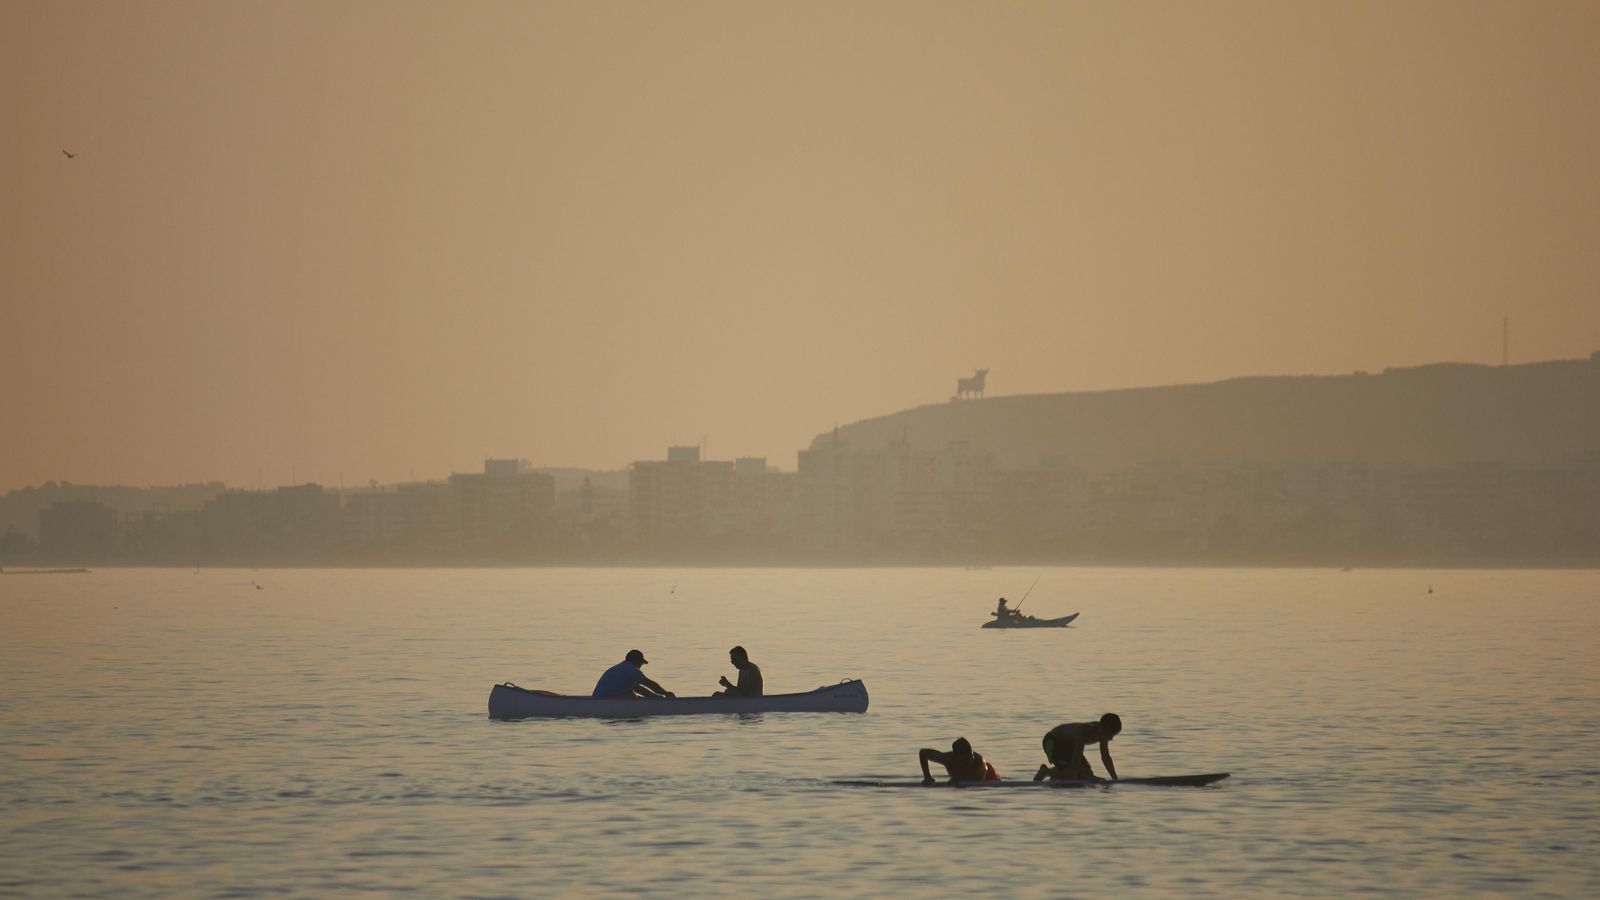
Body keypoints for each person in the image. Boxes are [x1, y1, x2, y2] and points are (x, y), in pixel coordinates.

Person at [1034, 714, 1121, 782]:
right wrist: (1088, 776)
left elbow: (1106, 757)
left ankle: (1057, 775)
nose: (1111, 738)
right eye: (1111, 734)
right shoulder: (1085, 731)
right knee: (1074, 774)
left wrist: (1115, 779)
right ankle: (1046, 771)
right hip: (1053, 741)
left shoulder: (1103, 734)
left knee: (1086, 774)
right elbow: (1077, 755)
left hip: (1068, 746)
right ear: (1104, 728)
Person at [592, 649, 674, 699]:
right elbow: (649, 684)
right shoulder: (630, 669)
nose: (641, 665)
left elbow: (638, 688)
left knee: (631, 695)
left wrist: (655, 697)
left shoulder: (622, 667)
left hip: (603, 699)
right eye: (641, 662)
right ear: (634, 660)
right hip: (605, 701)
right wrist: (666, 693)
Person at [919, 737, 998, 784]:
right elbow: (923, 753)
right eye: (965, 759)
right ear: (956, 757)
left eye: (971, 756)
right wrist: (927, 777)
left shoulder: (978, 763)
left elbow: (976, 782)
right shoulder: (948, 759)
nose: (970, 760)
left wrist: (959, 779)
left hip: (988, 774)